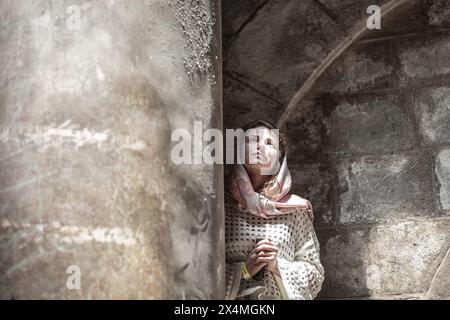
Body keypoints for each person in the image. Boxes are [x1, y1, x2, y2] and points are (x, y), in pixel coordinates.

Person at [225, 120, 324, 300]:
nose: (260, 147)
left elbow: (314, 275)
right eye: (252, 140)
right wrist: (245, 270)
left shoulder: (295, 209)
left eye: (269, 143)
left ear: (279, 157)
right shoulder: (221, 206)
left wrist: (276, 265)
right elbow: (201, 270)